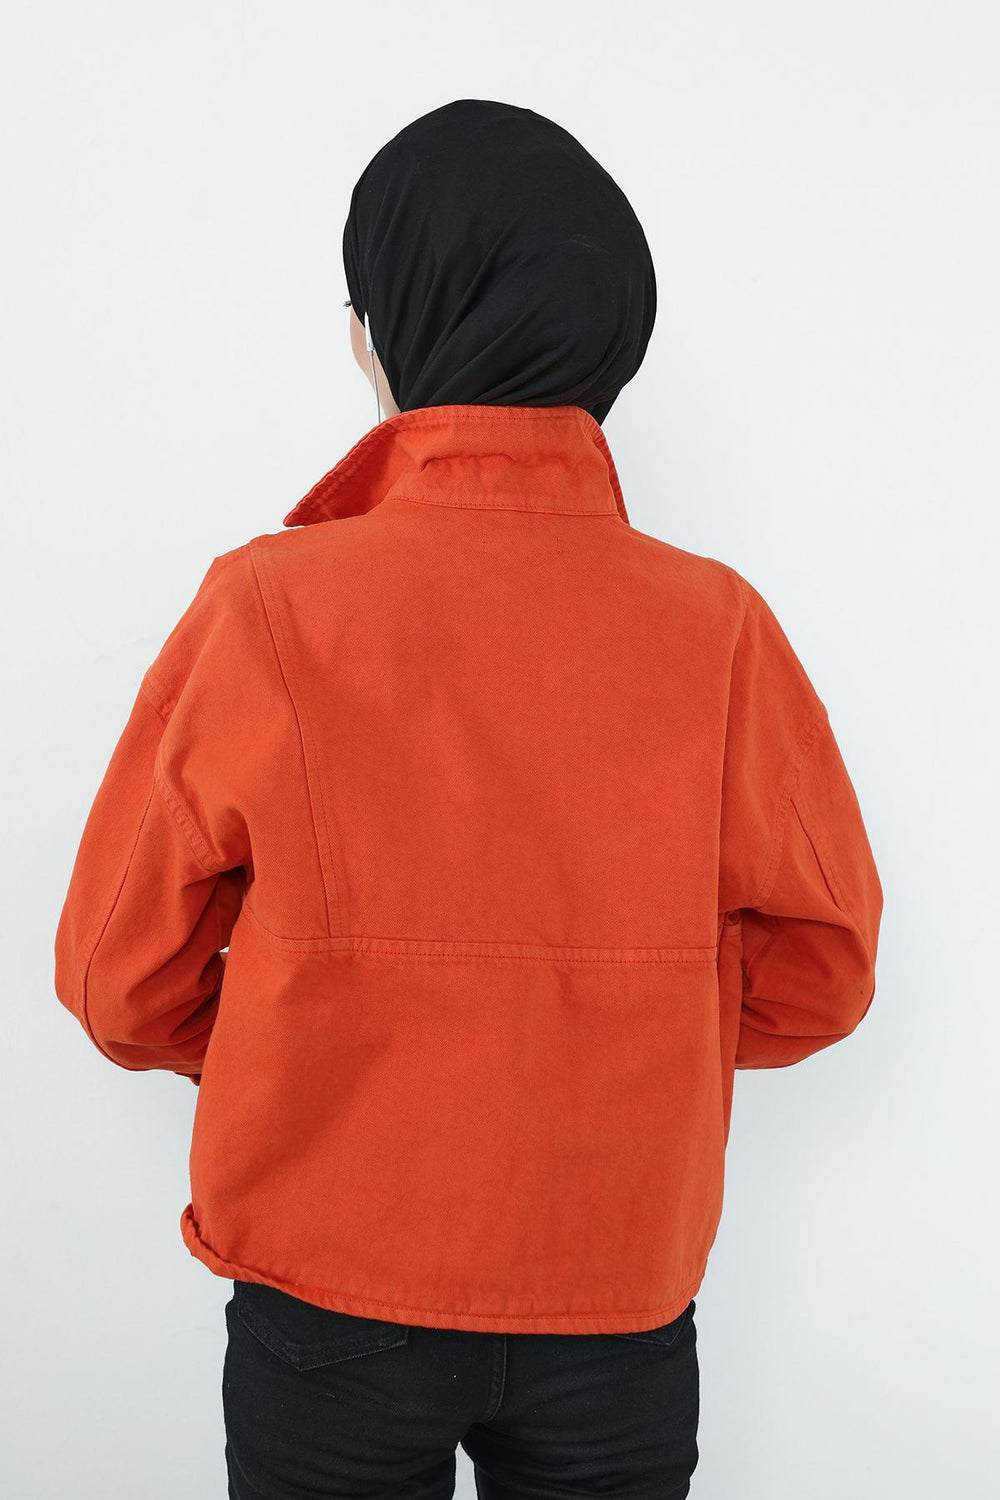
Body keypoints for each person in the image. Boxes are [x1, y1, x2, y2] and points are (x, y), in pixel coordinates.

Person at [53, 98, 883, 1498]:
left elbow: (116, 979)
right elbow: (826, 973)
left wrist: (299, 1049)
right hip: (614, 1287)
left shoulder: (269, 608)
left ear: (383, 332)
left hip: (329, 1286)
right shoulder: (720, 628)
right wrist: (609, 1042)